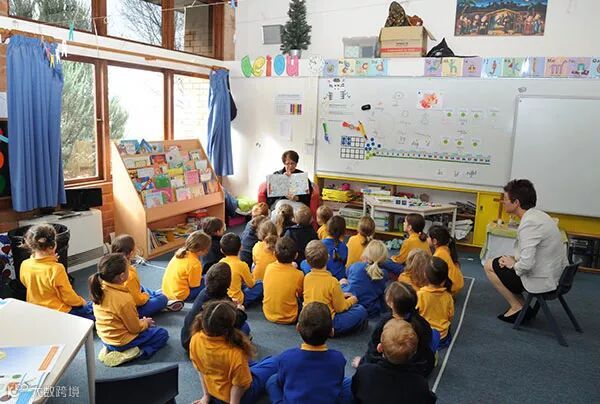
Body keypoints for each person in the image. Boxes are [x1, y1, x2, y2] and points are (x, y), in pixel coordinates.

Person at [483, 179, 568, 323]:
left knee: (489, 265)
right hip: (555, 275)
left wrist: (512, 264)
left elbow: (526, 266)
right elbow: (534, 253)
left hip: (542, 280)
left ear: (516, 203)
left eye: (505, 199)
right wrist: (513, 259)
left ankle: (517, 307)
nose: (503, 202)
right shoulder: (540, 216)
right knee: (500, 261)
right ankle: (522, 307)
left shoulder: (529, 224)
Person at [189, 300, 278, 404]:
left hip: (214, 391)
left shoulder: (195, 339)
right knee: (277, 361)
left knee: (255, 364)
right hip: (237, 396)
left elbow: (201, 370)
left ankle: (254, 368)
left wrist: (206, 396)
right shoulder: (235, 353)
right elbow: (240, 386)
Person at [91, 254, 169, 367]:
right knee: (162, 334)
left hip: (105, 338)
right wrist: (145, 323)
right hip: (121, 342)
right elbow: (134, 328)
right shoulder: (125, 300)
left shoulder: (98, 289)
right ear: (122, 276)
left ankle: (108, 349)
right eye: (128, 268)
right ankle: (134, 353)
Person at [266, 302, 346, 404]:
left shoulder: (287, 357)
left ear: (298, 328)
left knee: (272, 380)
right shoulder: (338, 358)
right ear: (331, 331)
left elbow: (281, 381)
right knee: (347, 383)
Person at [354, 282, 436, 377]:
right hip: (419, 368)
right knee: (435, 334)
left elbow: (373, 350)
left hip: (391, 367)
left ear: (391, 303)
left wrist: (362, 363)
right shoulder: (421, 321)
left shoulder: (385, 323)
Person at [349, 319, 437, 404]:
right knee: (436, 334)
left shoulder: (364, 371)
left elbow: (355, 392)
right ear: (414, 353)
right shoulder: (419, 383)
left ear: (379, 348)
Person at [19, 224, 94, 320]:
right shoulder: (57, 269)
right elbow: (69, 298)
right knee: (92, 307)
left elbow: (26, 283)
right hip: (59, 312)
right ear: (53, 245)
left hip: (36, 309)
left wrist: (51, 260)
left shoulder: (25, 264)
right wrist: (81, 302)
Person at [303, 240, 368, 336]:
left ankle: (310, 327)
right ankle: (331, 330)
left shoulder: (306, 278)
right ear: (328, 257)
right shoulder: (332, 281)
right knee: (361, 310)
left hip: (309, 318)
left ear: (307, 262)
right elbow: (340, 309)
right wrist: (352, 300)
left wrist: (341, 296)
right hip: (328, 321)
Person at [181, 262, 249, 352]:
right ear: (229, 283)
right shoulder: (220, 305)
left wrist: (230, 301)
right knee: (245, 328)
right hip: (199, 346)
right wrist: (241, 311)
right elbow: (231, 323)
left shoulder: (204, 291)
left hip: (186, 339)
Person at [111, 234, 181, 316]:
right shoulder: (130, 275)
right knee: (163, 299)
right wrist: (145, 296)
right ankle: (160, 300)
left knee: (141, 287)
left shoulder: (110, 266)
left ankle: (154, 296)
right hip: (131, 309)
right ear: (131, 253)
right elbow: (138, 301)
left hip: (118, 302)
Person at [342, 240, 388, 318]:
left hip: (353, 307)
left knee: (343, 280)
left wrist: (343, 284)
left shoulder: (356, 266)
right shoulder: (384, 274)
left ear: (366, 252)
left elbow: (349, 277)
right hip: (371, 311)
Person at [262, 237, 304, 324]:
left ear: (274, 253)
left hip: (268, 313)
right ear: (296, 255)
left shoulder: (269, 267)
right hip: (289, 317)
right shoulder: (299, 274)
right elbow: (300, 294)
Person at [162, 230, 211, 302]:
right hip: (181, 295)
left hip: (167, 291)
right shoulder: (195, 264)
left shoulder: (180, 253)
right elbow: (194, 285)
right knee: (210, 280)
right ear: (201, 250)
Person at [417, 257, 454, 349]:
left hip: (427, 335)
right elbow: (450, 316)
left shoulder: (420, 295)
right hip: (443, 337)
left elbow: (415, 315)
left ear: (425, 275)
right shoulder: (448, 296)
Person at [219, 233, 257, 305]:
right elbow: (251, 285)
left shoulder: (220, 262)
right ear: (241, 247)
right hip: (237, 300)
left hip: (224, 298)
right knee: (260, 284)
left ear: (222, 251)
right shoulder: (242, 265)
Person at [428, 225, 464, 295]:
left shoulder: (439, 255)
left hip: (451, 288)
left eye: (428, 237)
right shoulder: (446, 248)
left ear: (434, 241)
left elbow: (435, 276)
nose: (427, 239)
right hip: (457, 284)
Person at [321, 216, 348, 280]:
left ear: (327, 229)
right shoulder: (344, 247)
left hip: (324, 276)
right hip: (339, 278)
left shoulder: (320, 244)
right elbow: (344, 262)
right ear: (343, 232)